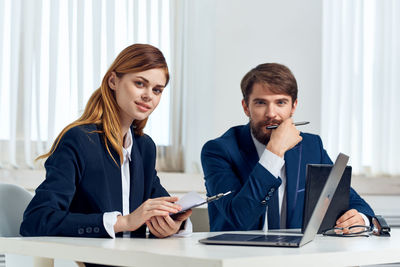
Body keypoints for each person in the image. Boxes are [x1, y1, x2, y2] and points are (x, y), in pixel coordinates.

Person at [20, 44, 192, 243]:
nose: (149, 95)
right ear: (113, 81)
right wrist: (123, 222)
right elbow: (37, 220)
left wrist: (174, 223)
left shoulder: (144, 147)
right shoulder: (79, 139)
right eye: (139, 83)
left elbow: (161, 206)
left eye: (157, 90)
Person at [201, 63, 374, 232]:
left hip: (294, 256)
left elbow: (355, 202)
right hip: (237, 256)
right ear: (246, 107)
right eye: (261, 103)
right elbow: (240, 219)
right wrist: (274, 153)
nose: (271, 113)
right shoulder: (218, 151)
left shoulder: (311, 146)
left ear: (294, 106)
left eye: (281, 103)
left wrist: (361, 218)